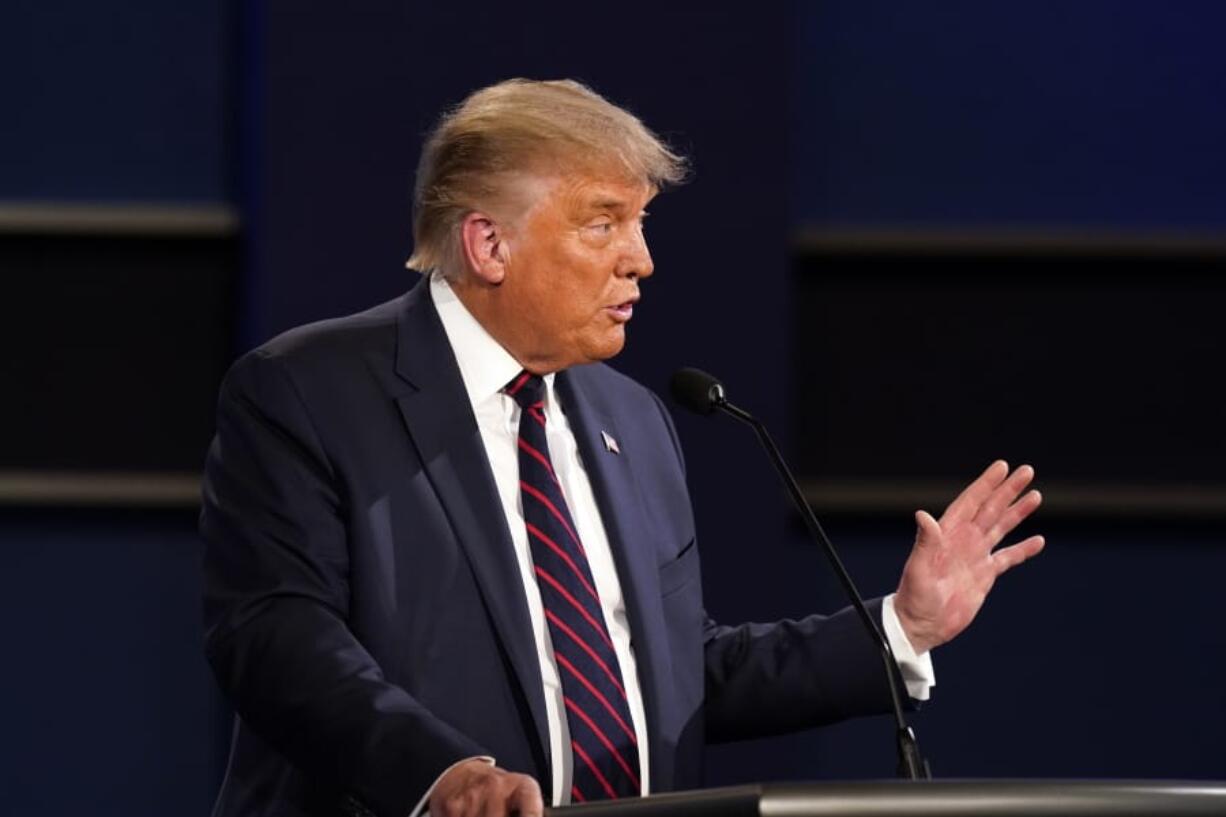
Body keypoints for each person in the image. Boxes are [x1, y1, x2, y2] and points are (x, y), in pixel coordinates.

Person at [201, 78, 1044, 817]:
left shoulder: (633, 419)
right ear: (489, 244)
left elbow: (676, 672)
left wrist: (902, 626)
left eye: (638, 223)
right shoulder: (308, 392)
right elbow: (278, 635)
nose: (640, 260)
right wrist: (438, 774)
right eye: (603, 225)